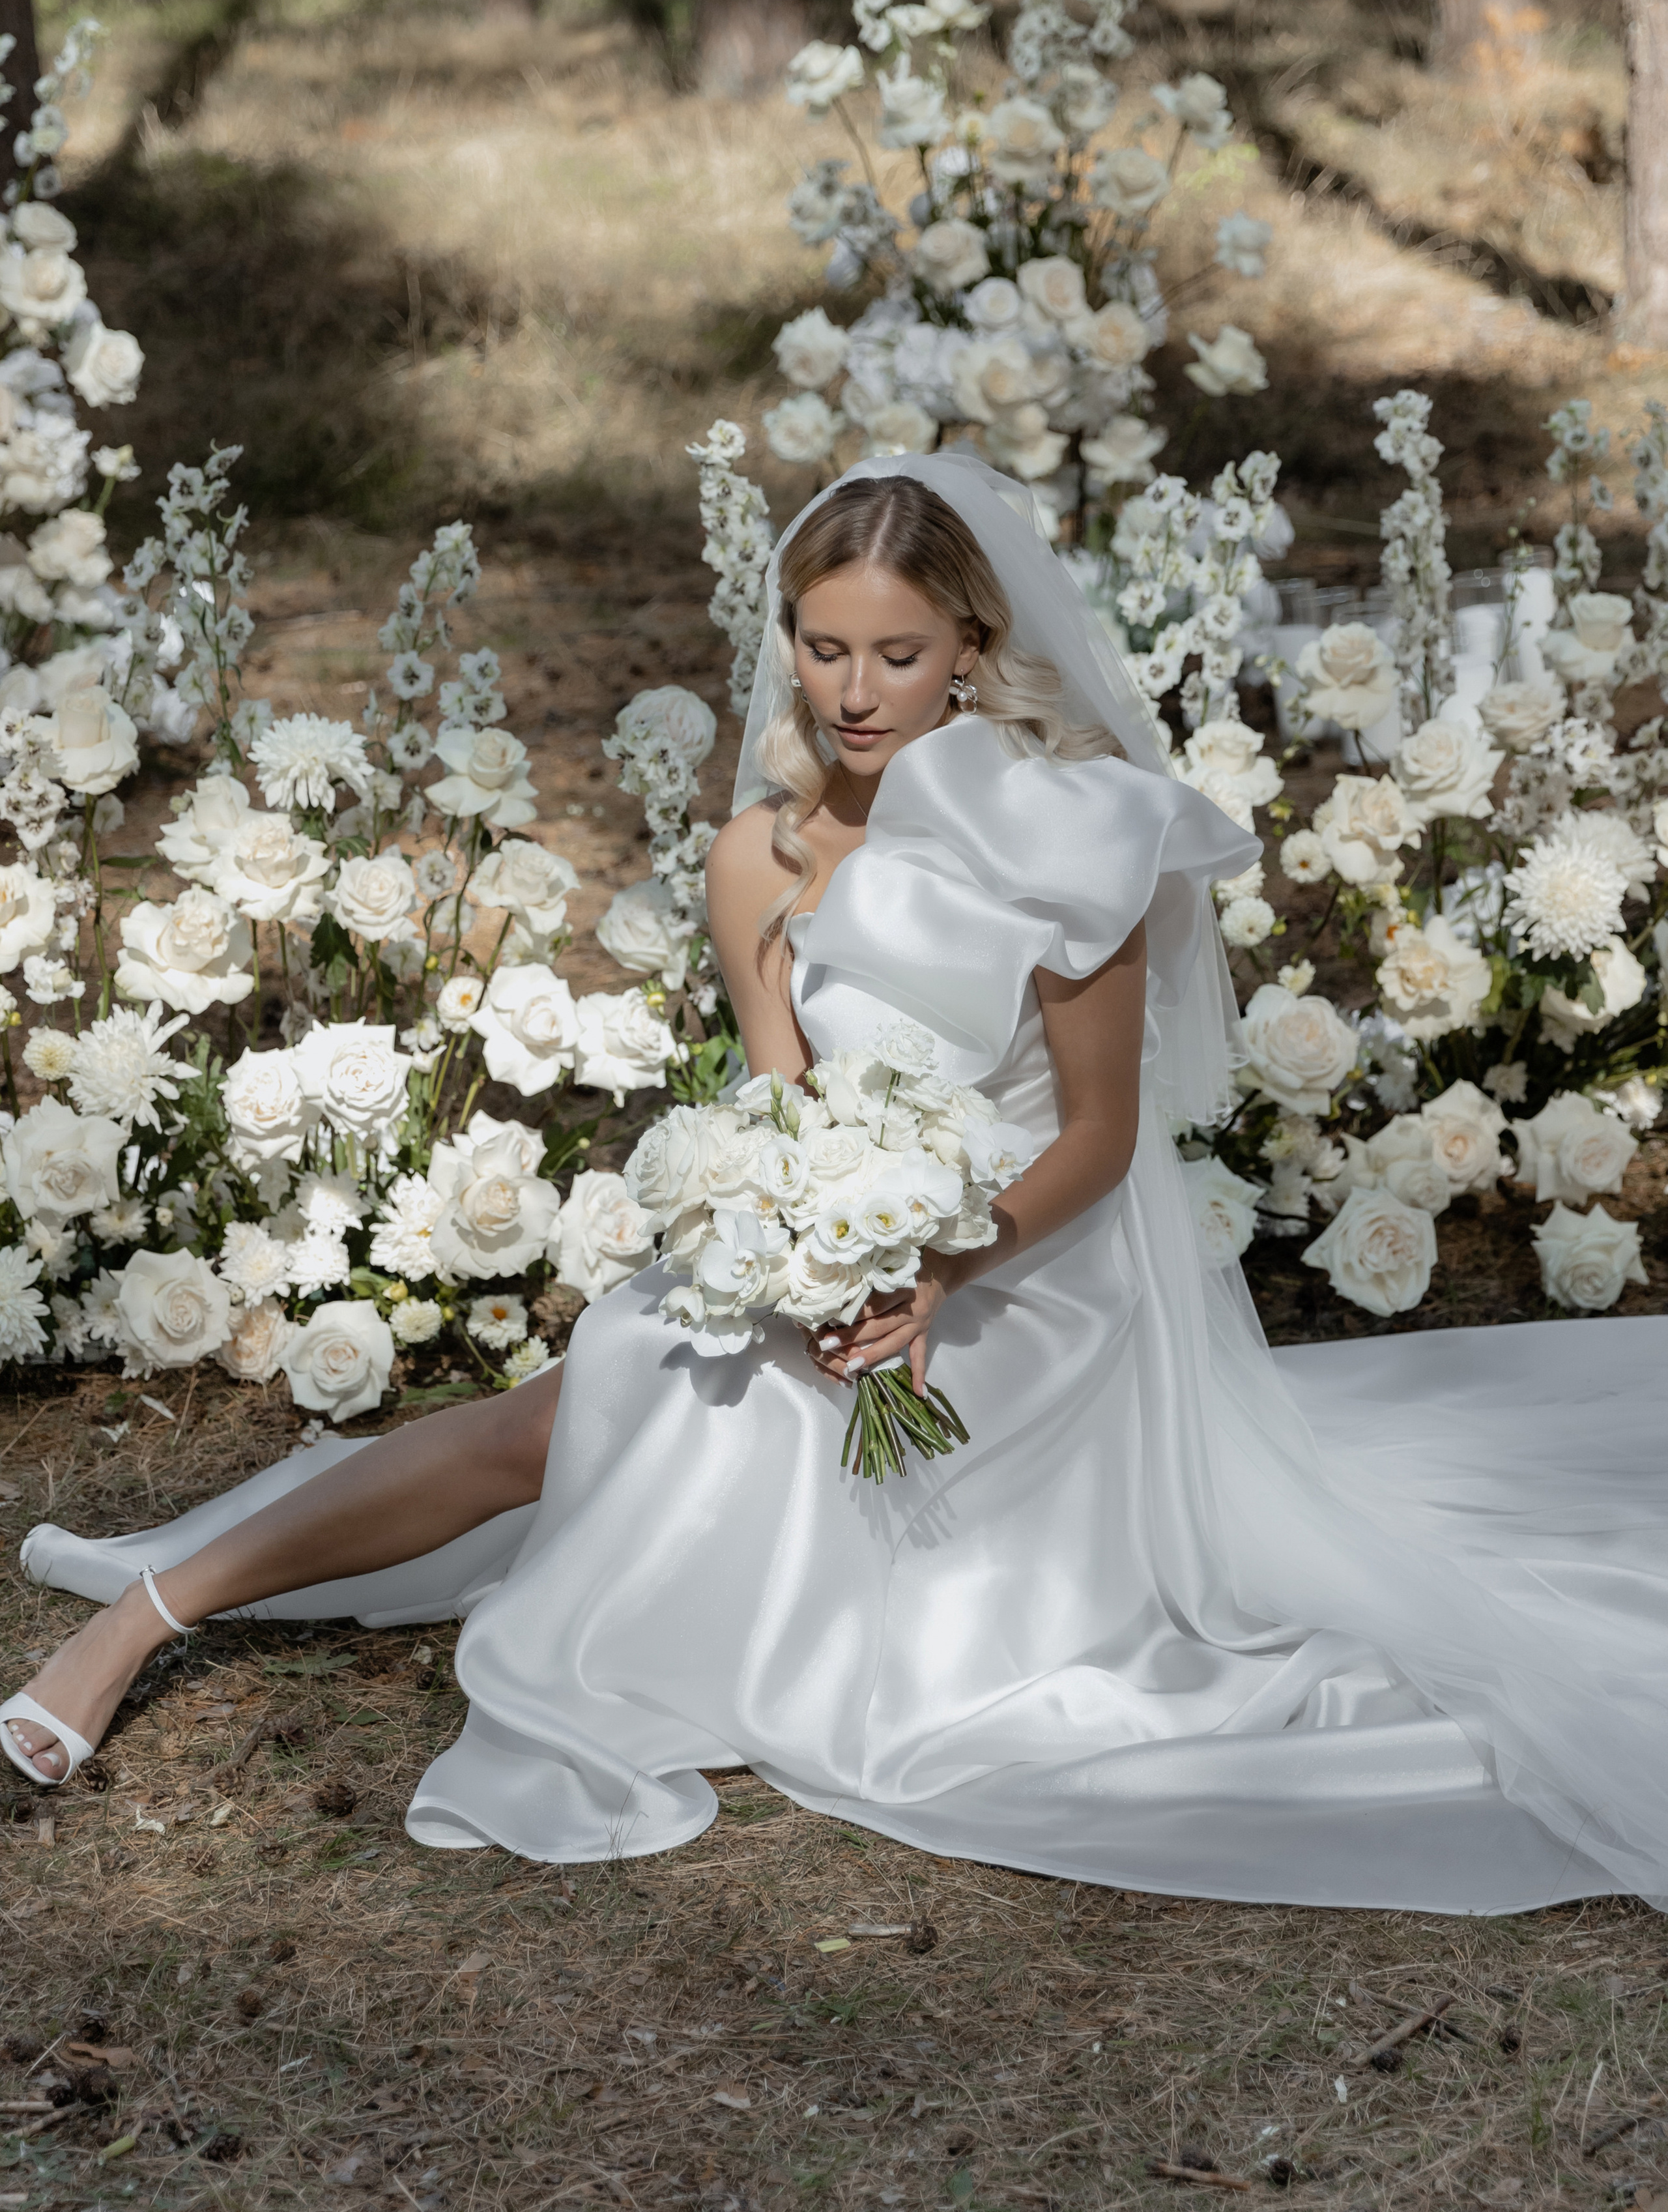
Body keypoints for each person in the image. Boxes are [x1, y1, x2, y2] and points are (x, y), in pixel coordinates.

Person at [6, 456, 1667, 1914]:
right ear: (782, 637)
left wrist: (938, 1271)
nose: (857, 690)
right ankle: (149, 1617)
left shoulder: (1069, 835)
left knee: (648, 1405)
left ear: (969, 652)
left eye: (899, 653)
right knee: (596, 1393)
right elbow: (779, 1096)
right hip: (820, 1237)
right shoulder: (761, 854)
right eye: (823, 648)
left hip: (1030, 1277)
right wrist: (783, 1237)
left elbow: (1093, 1139)